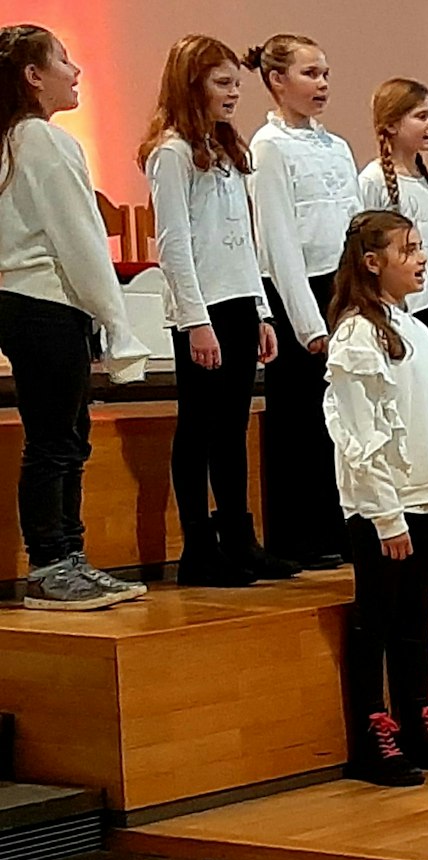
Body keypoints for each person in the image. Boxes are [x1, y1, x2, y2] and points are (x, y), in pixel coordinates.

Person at [323, 210, 428, 786]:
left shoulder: (414, 330)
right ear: (372, 263)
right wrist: (387, 516)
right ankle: (373, 732)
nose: (420, 259)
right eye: (408, 250)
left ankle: (417, 717)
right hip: (380, 508)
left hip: (424, 498)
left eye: (420, 249)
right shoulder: (356, 335)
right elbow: (358, 434)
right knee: (377, 620)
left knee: (414, 620)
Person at [0, 25, 149, 609]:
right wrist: (116, 320)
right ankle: (53, 563)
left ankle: (65, 557)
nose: (77, 71)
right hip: (45, 302)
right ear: (33, 76)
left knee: (60, 436)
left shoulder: (14, 139)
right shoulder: (43, 140)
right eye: (64, 60)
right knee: (57, 440)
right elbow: (80, 238)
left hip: (22, 303)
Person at [141, 35, 283, 588]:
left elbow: (241, 239)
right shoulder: (172, 153)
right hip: (203, 310)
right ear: (191, 84)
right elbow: (174, 244)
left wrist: (262, 309)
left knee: (232, 427)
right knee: (199, 426)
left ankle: (239, 539)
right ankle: (198, 548)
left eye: (236, 85)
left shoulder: (225, 151)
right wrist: (195, 319)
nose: (232, 95)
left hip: (238, 304)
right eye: (222, 84)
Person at [247, 34, 360, 573]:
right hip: (300, 293)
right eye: (310, 74)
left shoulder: (336, 146)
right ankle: (298, 533)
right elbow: (278, 241)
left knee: (344, 416)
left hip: (344, 287)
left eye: (325, 74)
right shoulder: (268, 147)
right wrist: (307, 322)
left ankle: (341, 522)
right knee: (300, 418)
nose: (321, 85)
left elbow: (357, 227)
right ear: (276, 80)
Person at [359, 79, 428, 345]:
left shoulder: (424, 179)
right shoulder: (374, 180)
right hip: (401, 308)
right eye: (421, 116)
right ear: (391, 124)